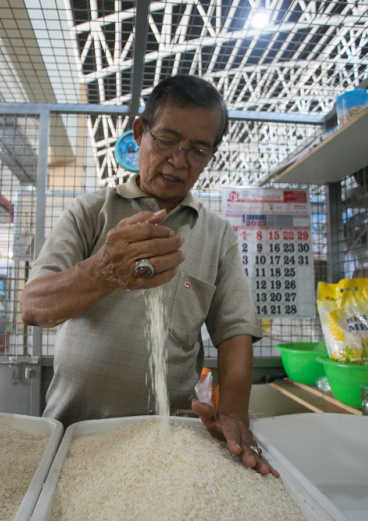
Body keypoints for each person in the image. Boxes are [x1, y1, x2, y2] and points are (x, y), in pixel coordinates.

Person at [21, 75, 275, 476]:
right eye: (167, 140)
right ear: (140, 132)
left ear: (212, 154)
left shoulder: (217, 235)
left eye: (198, 149)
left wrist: (234, 414)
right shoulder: (91, 213)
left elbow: (235, 333)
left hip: (166, 441)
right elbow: (34, 307)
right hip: (74, 433)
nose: (178, 160)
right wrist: (104, 269)